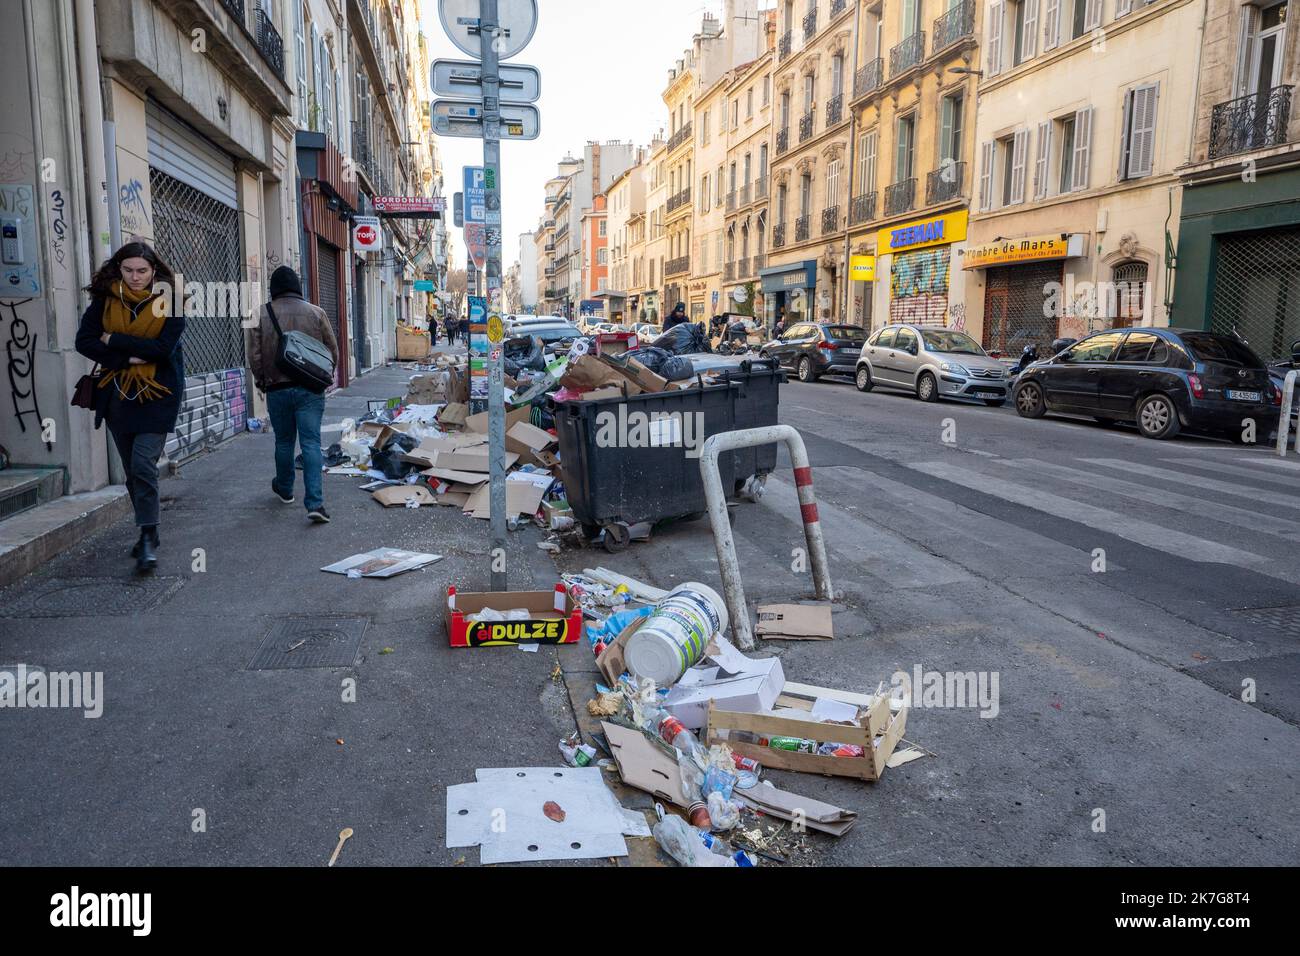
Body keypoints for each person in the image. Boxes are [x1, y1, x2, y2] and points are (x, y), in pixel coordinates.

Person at [75, 241, 185, 573]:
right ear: (118, 269)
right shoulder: (105, 300)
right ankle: (148, 528)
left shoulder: (171, 302)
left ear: (154, 271)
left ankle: (148, 537)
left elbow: (162, 349)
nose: (135, 277)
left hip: (158, 395)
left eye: (142, 271)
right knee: (131, 471)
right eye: (128, 270)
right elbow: (84, 341)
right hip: (118, 396)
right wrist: (127, 358)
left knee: (142, 465)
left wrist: (113, 340)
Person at [249, 265, 339, 524]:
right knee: (311, 443)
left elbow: (254, 355)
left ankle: (285, 489)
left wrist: (262, 381)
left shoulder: (260, 314)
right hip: (310, 389)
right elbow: (332, 350)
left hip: (277, 388)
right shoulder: (316, 312)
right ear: (298, 287)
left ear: (273, 288)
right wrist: (324, 376)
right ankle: (315, 504)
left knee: (284, 442)